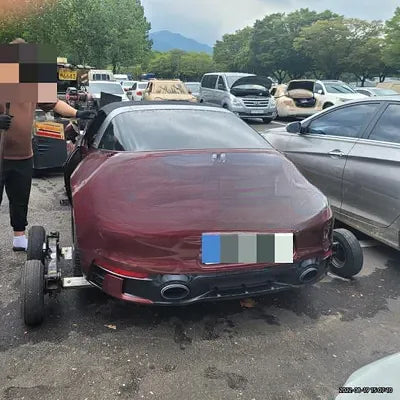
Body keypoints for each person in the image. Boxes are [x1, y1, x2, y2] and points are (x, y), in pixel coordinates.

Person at [0, 38, 94, 251]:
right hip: (0, 154)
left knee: (20, 198)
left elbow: (54, 103)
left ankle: (19, 238)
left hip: (23, 155)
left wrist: (78, 113)